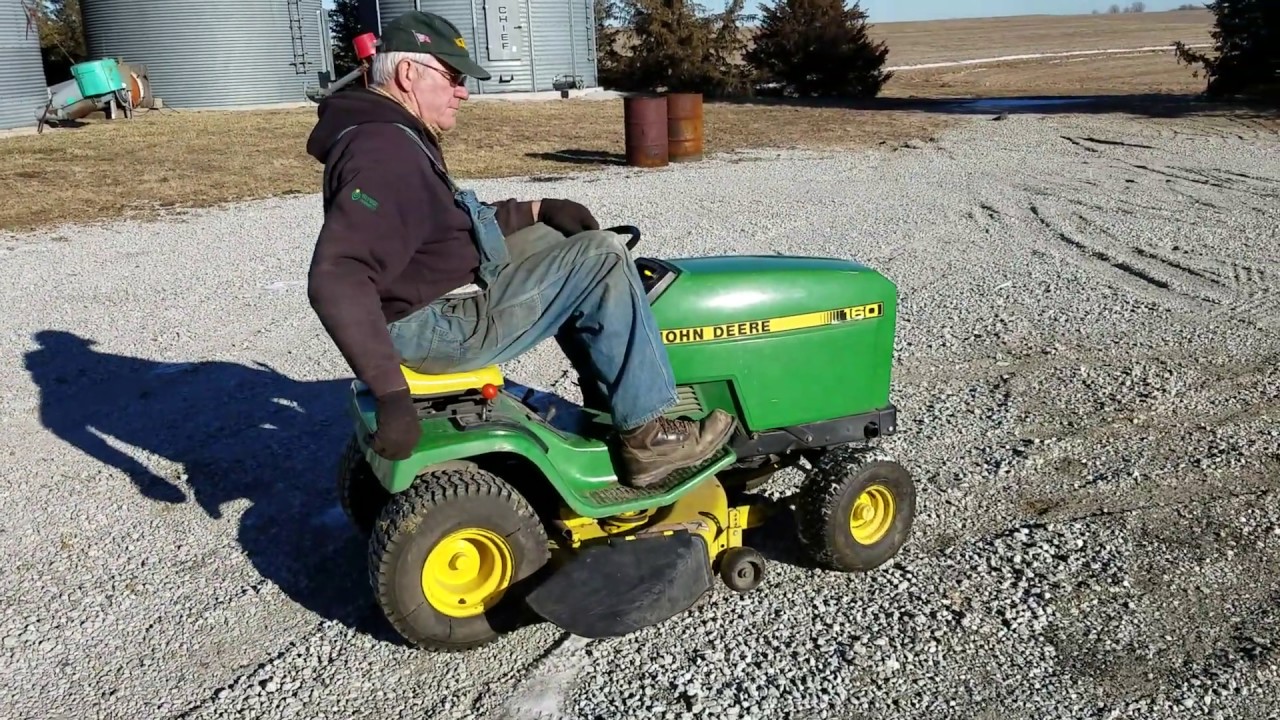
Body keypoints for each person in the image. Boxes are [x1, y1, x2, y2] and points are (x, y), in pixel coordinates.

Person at [304, 10, 734, 489]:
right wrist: (391, 395)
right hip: (432, 328)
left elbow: (446, 222)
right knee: (603, 256)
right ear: (408, 74)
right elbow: (336, 275)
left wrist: (538, 208)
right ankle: (648, 438)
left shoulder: (389, 129)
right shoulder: (383, 152)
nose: (463, 91)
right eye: (453, 78)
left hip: (430, 298)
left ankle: (613, 394)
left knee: (569, 241)